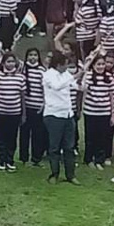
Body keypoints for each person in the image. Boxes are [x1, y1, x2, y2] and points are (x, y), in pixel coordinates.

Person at [42, 52, 80, 184]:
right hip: (54, 115)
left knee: (69, 147)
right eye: (65, 65)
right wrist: (74, 76)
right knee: (54, 147)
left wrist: (83, 74)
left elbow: (78, 86)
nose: (67, 68)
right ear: (58, 65)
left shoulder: (66, 75)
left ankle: (71, 175)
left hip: (68, 115)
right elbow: (57, 87)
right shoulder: (48, 75)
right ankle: (54, 174)